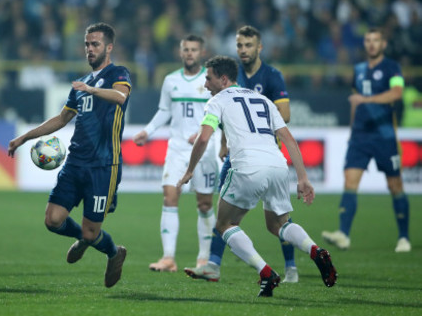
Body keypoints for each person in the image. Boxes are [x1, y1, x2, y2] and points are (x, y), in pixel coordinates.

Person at [177, 55, 337, 297]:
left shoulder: (217, 101)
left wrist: (190, 169)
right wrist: (303, 178)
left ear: (223, 79)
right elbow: (289, 139)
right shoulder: (262, 100)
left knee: (224, 225)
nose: (205, 85)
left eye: (208, 79)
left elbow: (203, 137)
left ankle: (266, 273)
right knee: (279, 224)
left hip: (247, 166)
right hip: (277, 165)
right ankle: (315, 250)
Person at [7, 22, 130, 288]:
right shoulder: (81, 83)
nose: (89, 49)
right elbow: (62, 118)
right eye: (87, 44)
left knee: (91, 230)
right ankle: (87, 239)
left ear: (109, 47)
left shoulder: (118, 73)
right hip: (74, 163)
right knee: (52, 220)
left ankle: (113, 252)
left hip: (103, 165)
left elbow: (120, 98)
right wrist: (25, 137)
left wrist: (93, 90)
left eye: (95, 44)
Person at [185, 25, 298, 283]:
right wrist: (224, 142)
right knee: (223, 209)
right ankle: (213, 265)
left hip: (264, 151)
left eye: (248, 45)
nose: (243, 50)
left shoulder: (271, 75)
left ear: (260, 48)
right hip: (237, 152)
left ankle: (290, 266)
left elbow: (286, 115)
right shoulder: (232, 73)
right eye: (239, 45)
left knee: (278, 218)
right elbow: (230, 114)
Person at [133, 35, 218, 272]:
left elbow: (221, 113)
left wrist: (205, 132)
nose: (189, 53)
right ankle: (168, 258)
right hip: (178, 148)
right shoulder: (170, 81)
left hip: (205, 149)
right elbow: (164, 110)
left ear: (202, 52)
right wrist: (147, 131)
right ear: (180, 53)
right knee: (170, 197)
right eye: (185, 49)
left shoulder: (210, 81)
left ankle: (203, 258)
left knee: (204, 204)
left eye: (193, 49)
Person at [322, 28, 411, 253]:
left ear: (383, 44)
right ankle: (343, 234)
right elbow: (356, 102)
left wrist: (366, 98)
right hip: (360, 136)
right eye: (368, 40)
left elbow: (397, 93)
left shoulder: (393, 67)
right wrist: (353, 130)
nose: (372, 44)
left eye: (376, 40)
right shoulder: (359, 69)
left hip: (384, 136)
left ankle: (403, 237)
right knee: (350, 181)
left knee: (395, 185)